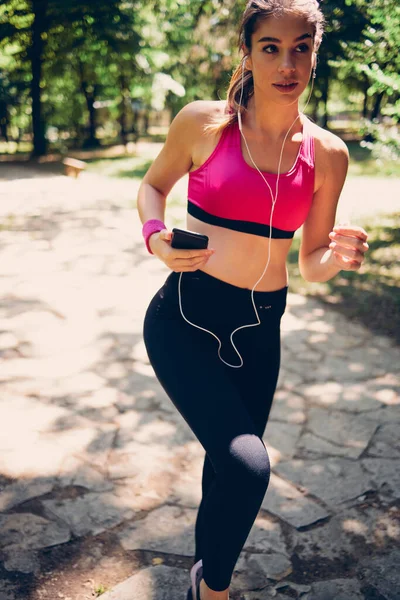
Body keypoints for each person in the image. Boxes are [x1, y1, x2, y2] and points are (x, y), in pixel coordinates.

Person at [137, 1, 369, 598]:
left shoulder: (329, 154)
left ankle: (203, 573)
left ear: (315, 53)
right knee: (249, 464)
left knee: (227, 472)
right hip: (185, 318)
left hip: (260, 330)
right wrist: (155, 238)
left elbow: (312, 264)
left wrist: (339, 258)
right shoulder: (203, 123)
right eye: (271, 47)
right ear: (248, 51)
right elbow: (154, 185)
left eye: (301, 48)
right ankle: (213, 590)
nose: (287, 63)